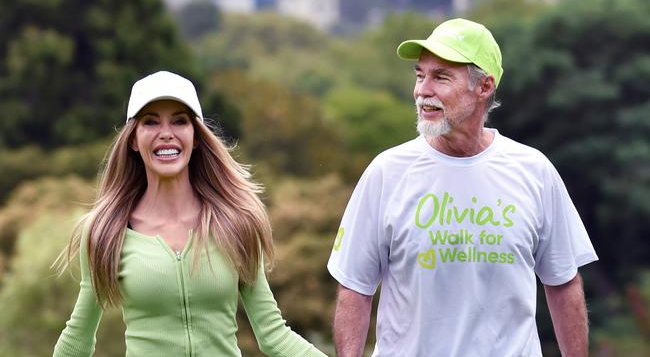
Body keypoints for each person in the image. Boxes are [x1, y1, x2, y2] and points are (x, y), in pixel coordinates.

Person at [327, 18, 598, 357]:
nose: (422, 90)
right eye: (419, 74)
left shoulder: (534, 170)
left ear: (484, 87)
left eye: (440, 77)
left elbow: (563, 283)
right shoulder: (387, 172)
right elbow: (355, 288)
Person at [53, 71, 327, 357]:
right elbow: (78, 339)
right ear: (133, 139)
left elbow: (274, 336)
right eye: (150, 122)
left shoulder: (235, 224)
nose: (166, 133)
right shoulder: (105, 231)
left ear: (195, 136)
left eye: (179, 121)